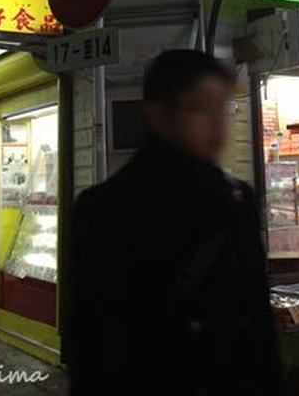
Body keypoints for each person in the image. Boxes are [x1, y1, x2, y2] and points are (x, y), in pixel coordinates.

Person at [67, 50, 282, 396]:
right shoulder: (106, 210)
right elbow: (93, 343)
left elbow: (257, 323)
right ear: (158, 115)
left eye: (221, 107)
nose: (216, 122)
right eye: (198, 107)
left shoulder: (237, 199)